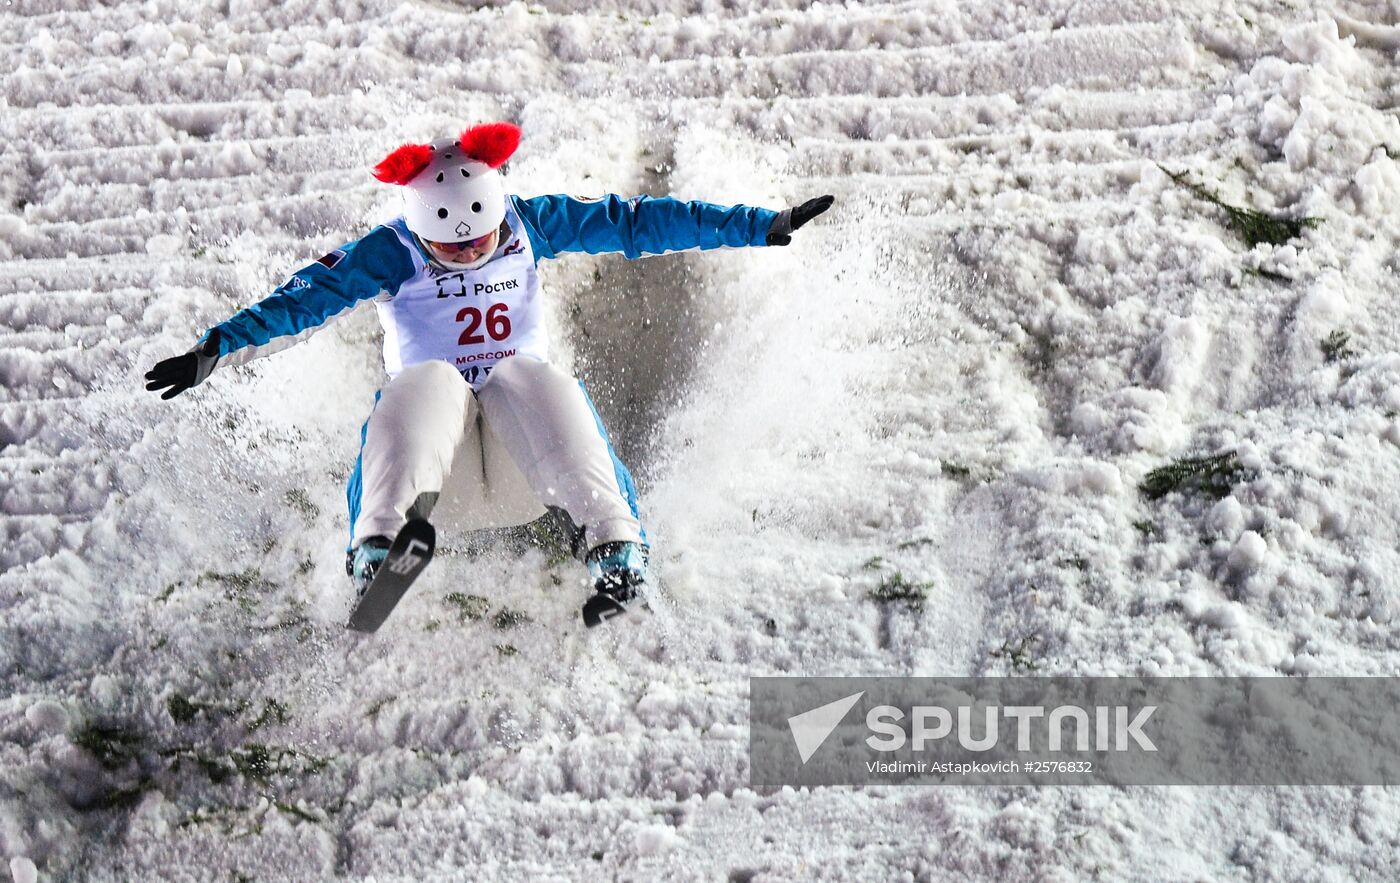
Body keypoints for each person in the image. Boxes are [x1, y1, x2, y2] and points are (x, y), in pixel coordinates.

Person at [145, 121, 834, 618]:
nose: (471, 251)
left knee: (523, 375)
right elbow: (298, 302)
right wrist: (213, 350)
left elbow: (637, 223)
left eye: (480, 237)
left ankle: (614, 542)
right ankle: (377, 541)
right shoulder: (388, 252)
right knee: (430, 380)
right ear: (418, 230)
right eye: (449, 245)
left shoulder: (531, 226)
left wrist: (757, 225)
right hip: (438, 482)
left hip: (523, 462)